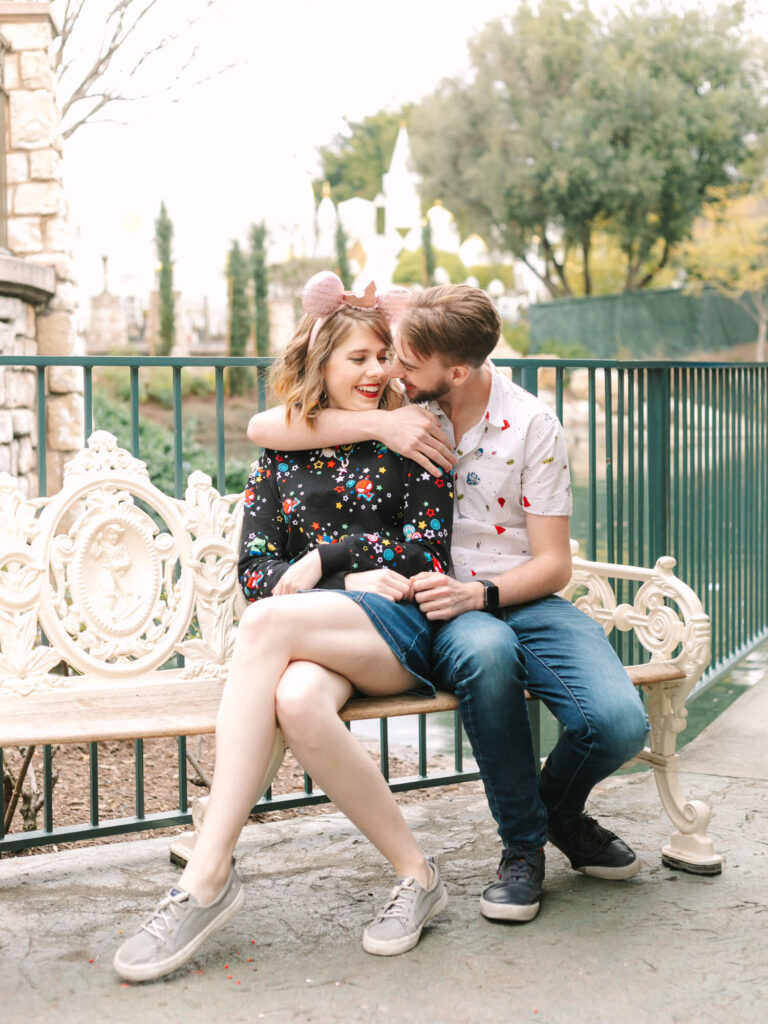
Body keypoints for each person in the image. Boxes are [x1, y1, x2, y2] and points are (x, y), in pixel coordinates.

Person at [248, 283, 650, 926]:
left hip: (516, 595)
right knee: (487, 655)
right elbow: (265, 426)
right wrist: (381, 422)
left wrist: (482, 592)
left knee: (621, 724)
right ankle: (523, 849)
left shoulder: (531, 427)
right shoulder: (404, 405)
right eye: (387, 360)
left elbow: (554, 565)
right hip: (436, 607)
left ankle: (559, 816)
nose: (389, 373)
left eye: (403, 363)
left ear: (454, 371)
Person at [113, 273, 454, 983]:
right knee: (295, 700)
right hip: (318, 631)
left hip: (400, 629)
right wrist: (336, 580)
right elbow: (257, 570)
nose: (375, 373)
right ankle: (418, 874)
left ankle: (205, 875)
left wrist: (333, 558)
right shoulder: (281, 452)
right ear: (323, 361)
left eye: (382, 358)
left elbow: (429, 551)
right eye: (358, 358)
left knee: (267, 625)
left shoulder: (415, 435)